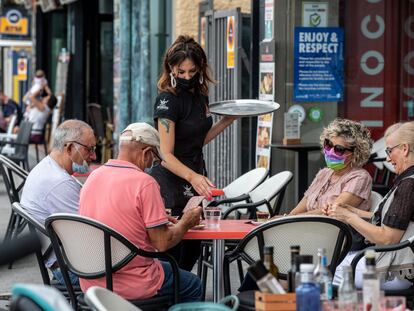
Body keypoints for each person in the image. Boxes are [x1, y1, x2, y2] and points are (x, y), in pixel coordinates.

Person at [79, 122, 203, 302]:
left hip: (92, 279)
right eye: (154, 159)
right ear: (146, 152)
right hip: (133, 281)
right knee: (192, 284)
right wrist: (187, 222)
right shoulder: (145, 182)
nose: (151, 165)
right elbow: (161, 243)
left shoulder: (93, 177)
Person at [150, 35, 237, 271]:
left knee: (193, 250)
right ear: (171, 68)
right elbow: (166, 154)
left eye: (192, 71)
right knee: (173, 253)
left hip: (195, 174)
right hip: (170, 181)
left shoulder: (200, 97)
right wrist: (194, 177)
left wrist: (226, 121)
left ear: (200, 68)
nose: (187, 77)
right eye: (181, 72)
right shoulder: (167, 100)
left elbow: (196, 141)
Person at [328, 121, 414, 290]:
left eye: (389, 151)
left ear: (404, 149)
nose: (388, 158)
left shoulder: (408, 185)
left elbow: (387, 238)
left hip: (397, 272)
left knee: (326, 269)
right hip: (403, 264)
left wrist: (348, 217)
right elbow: (398, 219)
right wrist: (353, 211)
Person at [21, 119, 96, 285]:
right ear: (69, 147)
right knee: (164, 270)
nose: (94, 156)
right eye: (89, 149)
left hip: (64, 261)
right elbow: (92, 234)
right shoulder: (58, 182)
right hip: (74, 269)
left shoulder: (49, 168)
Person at [289, 118, 373, 218]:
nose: (331, 151)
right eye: (328, 145)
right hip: (307, 227)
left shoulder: (360, 177)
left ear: (355, 154)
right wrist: (284, 218)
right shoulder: (324, 173)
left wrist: (293, 220)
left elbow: (332, 212)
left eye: (339, 149)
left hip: (334, 231)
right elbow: (298, 209)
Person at [22, 70, 55, 143]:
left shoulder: (43, 108)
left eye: (46, 98)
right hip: (31, 132)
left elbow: (31, 97)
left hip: (33, 134)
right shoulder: (42, 107)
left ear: (48, 102)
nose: (44, 97)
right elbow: (25, 99)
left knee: (16, 132)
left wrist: (42, 87)